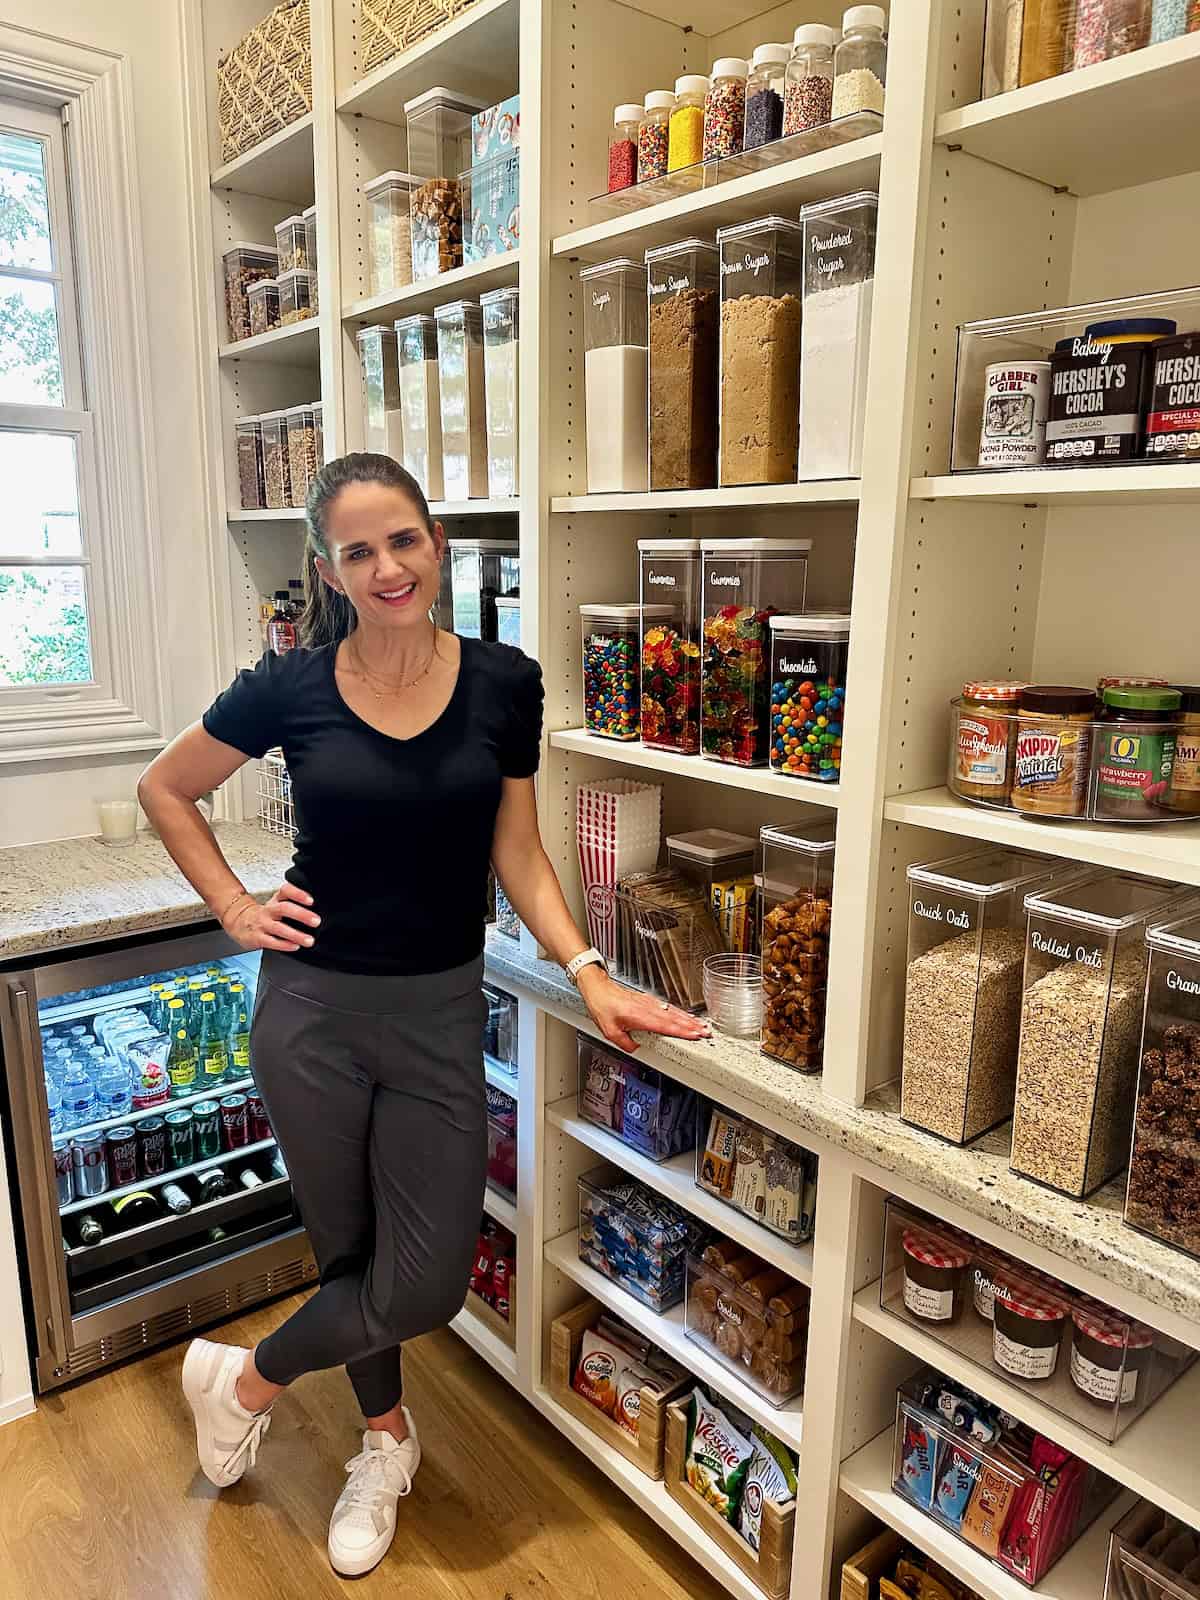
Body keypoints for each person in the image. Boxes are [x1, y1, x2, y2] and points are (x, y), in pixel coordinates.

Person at [136, 453, 708, 1577]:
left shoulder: (505, 681)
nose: (387, 566)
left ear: (436, 541)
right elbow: (169, 786)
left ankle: (239, 1381)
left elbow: (519, 852)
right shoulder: (290, 684)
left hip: (441, 1010)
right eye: (358, 550)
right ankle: (384, 1443)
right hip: (310, 1010)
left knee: (427, 1276)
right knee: (349, 1246)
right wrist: (235, 906)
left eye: (402, 538)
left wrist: (589, 965)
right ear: (330, 568)